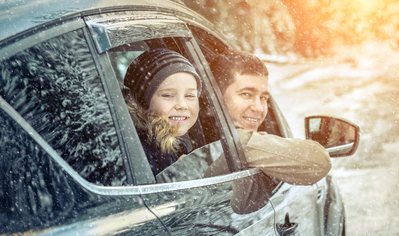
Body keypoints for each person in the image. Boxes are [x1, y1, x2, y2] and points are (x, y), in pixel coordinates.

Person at [210, 50, 332, 187]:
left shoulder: (204, 140)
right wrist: (253, 146)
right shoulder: (235, 143)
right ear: (215, 98)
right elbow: (320, 162)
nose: (259, 108)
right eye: (246, 94)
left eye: (263, 98)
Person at [123, 48, 201, 176]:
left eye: (190, 95)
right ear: (143, 102)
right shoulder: (141, 152)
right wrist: (178, 179)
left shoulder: (181, 139)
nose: (182, 105)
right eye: (168, 95)